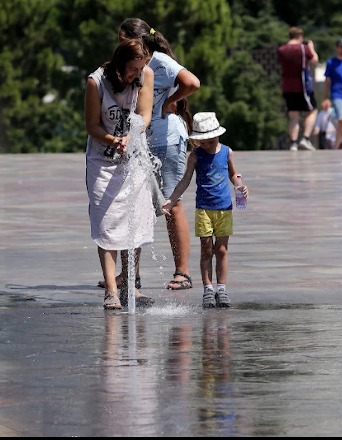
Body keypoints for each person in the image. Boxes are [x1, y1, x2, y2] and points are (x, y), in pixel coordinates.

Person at [110, 18, 200, 292]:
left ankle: (182, 273)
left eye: (122, 39)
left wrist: (171, 102)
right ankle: (130, 274)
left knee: (172, 204)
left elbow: (192, 82)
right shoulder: (128, 65)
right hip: (142, 140)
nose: (119, 44)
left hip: (168, 139)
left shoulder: (159, 60)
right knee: (136, 205)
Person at [84, 38, 156, 310]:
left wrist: (131, 134)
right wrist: (113, 140)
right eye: (133, 69)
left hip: (134, 158)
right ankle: (111, 291)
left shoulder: (145, 75)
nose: (137, 75)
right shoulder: (96, 82)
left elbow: (145, 115)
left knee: (135, 222)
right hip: (102, 162)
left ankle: (130, 285)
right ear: (119, 65)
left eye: (141, 69)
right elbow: (91, 125)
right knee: (107, 224)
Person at [162, 112, 249, 309]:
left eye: (212, 141)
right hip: (204, 209)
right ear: (198, 141)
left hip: (224, 208)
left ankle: (222, 289)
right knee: (206, 249)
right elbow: (185, 180)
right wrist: (171, 199)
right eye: (204, 142)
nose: (208, 145)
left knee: (222, 250)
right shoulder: (195, 156)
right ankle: (208, 289)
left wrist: (240, 185)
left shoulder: (227, 152)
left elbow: (233, 174)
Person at [277, 26, 318, 151]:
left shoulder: (281, 49)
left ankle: (293, 143)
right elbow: (315, 61)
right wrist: (311, 48)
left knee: (293, 115)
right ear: (300, 36)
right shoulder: (303, 48)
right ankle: (305, 138)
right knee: (313, 110)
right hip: (302, 86)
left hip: (287, 86)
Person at [320, 38, 342, 151]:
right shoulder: (331, 63)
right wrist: (324, 98)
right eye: (341, 46)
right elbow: (327, 81)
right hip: (337, 95)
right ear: (337, 48)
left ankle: (336, 147)